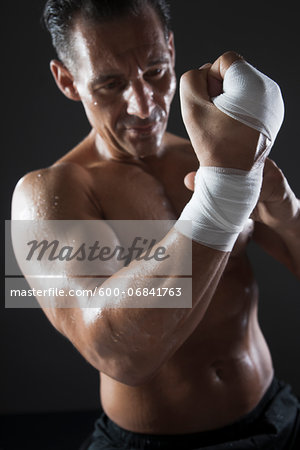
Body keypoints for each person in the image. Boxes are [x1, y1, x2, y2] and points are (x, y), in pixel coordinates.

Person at [11, 0, 300, 448]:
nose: (144, 106)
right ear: (67, 80)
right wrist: (222, 197)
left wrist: (287, 209)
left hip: (276, 413)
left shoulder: (210, 156)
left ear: (170, 47)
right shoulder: (47, 196)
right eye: (110, 84)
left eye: (156, 72)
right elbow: (118, 353)